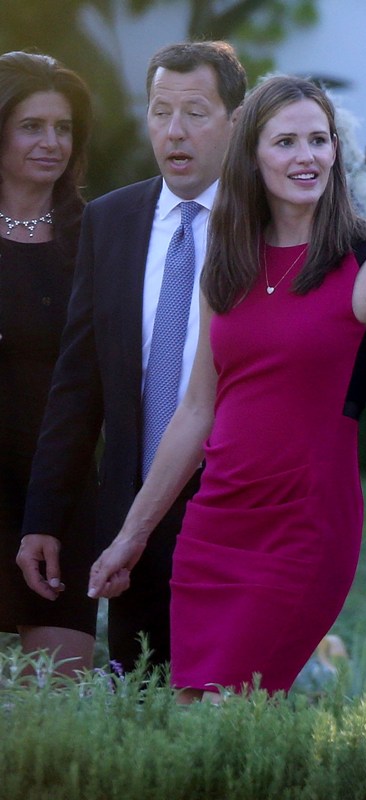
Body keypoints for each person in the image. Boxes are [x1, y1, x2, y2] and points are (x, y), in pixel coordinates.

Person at [87, 75, 366, 702]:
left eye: (319, 140)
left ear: (336, 150)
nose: (307, 157)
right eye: (286, 142)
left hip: (305, 531)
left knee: (227, 708)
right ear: (252, 155)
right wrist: (131, 536)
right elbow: (197, 410)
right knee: (195, 714)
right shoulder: (227, 259)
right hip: (213, 528)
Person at [16, 41, 247, 673]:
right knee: (139, 691)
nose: (174, 131)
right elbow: (77, 386)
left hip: (234, 505)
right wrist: (44, 518)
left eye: (195, 113)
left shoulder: (265, 223)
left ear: (235, 119)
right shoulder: (111, 220)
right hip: (132, 513)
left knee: (227, 692)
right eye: (160, 112)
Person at [0, 50, 96, 675]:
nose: (51, 142)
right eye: (31, 126)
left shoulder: (98, 237)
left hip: (63, 491)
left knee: (60, 697)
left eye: (63, 128)